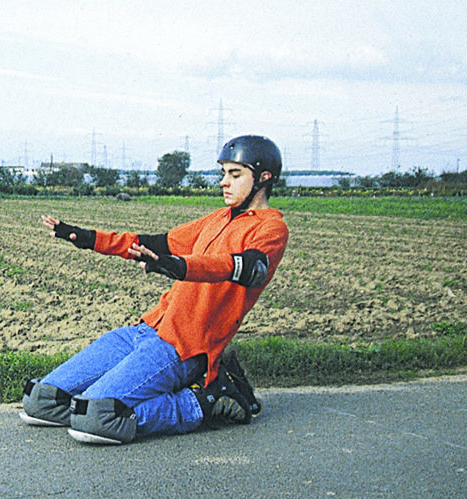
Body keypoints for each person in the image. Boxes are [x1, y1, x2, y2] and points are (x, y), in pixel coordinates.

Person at [20, 135, 289, 444]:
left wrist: (179, 266)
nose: (223, 182)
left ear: (264, 178)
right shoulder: (218, 219)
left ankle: (207, 402)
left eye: (235, 174)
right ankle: (122, 396)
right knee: (41, 401)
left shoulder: (271, 229)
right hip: (145, 330)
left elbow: (246, 268)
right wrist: (85, 237)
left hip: (184, 347)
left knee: (97, 417)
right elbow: (151, 243)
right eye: (224, 173)